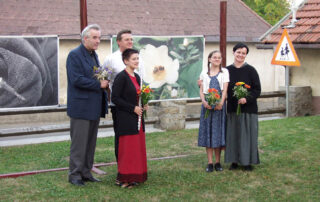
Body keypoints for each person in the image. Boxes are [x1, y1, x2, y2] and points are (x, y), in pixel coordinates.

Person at [66, 24, 108, 186]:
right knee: (79, 144)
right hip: (81, 108)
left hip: (93, 107)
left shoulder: (93, 55)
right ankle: (75, 175)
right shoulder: (74, 55)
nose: (98, 41)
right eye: (95, 37)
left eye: (99, 37)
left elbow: (95, 76)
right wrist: (99, 84)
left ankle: (86, 172)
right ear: (85, 39)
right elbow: (76, 79)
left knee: (90, 143)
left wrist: (104, 79)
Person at [102, 30, 143, 162]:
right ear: (118, 42)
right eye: (127, 39)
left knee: (135, 139)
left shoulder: (137, 58)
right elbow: (103, 77)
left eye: (131, 39)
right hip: (120, 106)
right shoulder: (111, 59)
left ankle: (134, 165)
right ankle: (122, 166)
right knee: (122, 138)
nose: (130, 42)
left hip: (136, 106)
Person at [111, 48, 148, 188]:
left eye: (137, 58)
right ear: (126, 61)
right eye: (134, 59)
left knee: (135, 149)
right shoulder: (121, 77)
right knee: (127, 150)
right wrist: (132, 108)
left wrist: (144, 104)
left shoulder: (137, 77)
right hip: (126, 119)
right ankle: (123, 178)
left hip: (137, 119)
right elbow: (115, 98)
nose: (136, 61)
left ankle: (134, 177)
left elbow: (137, 96)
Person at [225, 42, 261, 171]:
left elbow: (257, 90)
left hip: (248, 109)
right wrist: (201, 83)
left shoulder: (251, 70)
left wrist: (247, 98)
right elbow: (220, 87)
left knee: (247, 136)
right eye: (238, 52)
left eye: (243, 53)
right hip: (233, 109)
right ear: (233, 52)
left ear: (246, 55)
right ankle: (234, 161)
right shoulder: (227, 70)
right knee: (233, 135)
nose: (240, 55)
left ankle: (247, 162)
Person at [198, 50, 229, 172]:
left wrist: (221, 102)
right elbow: (201, 90)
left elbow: (225, 89)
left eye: (219, 57)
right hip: (207, 106)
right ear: (209, 59)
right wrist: (204, 102)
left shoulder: (224, 72)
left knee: (218, 132)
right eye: (214, 57)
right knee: (208, 132)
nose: (217, 59)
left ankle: (217, 162)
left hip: (219, 107)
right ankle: (210, 162)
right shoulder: (204, 73)